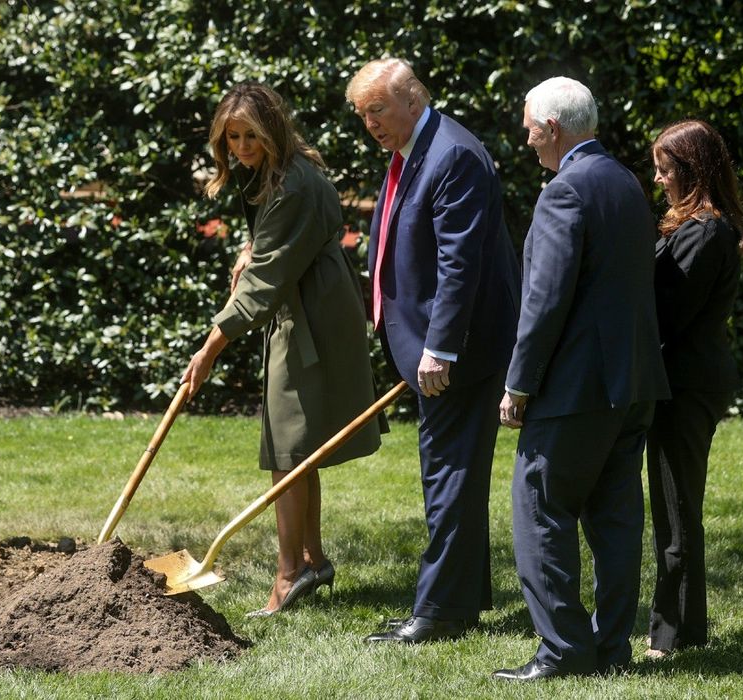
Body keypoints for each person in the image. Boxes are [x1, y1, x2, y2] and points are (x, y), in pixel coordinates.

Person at [182, 82, 383, 617]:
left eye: (250, 135)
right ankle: (312, 560)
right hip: (306, 303)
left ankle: (290, 572)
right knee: (295, 442)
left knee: (289, 445)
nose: (242, 147)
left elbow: (263, 284)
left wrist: (209, 351)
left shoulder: (293, 182)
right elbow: (275, 247)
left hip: (309, 313)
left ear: (272, 129)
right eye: (233, 138)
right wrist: (253, 246)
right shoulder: (278, 172)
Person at [494, 77, 670, 681]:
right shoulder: (625, 181)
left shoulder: (564, 190)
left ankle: (564, 651)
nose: (524, 138)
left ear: (552, 128)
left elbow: (544, 301)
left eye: (528, 127)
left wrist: (519, 384)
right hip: (635, 382)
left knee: (539, 509)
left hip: (576, 389)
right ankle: (612, 646)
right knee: (617, 517)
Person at [345, 58, 521, 644]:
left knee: (447, 475)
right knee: (452, 474)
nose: (369, 122)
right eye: (362, 113)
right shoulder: (412, 149)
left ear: (413, 98)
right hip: (429, 348)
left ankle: (441, 610)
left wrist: (439, 349)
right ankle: (459, 599)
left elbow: (459, 265)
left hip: (455, 356)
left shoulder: (452, 155)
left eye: (378, 109)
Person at [645, 119, 743, 659]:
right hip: (684, 380)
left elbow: (669, 314)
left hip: (687, 384)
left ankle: (675, 632)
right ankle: (683, 625)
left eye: (665, 168)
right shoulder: (698, 227)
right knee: (674, 505)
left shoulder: (705, 232)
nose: (658, 178)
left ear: (691, 170)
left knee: (678, 507)